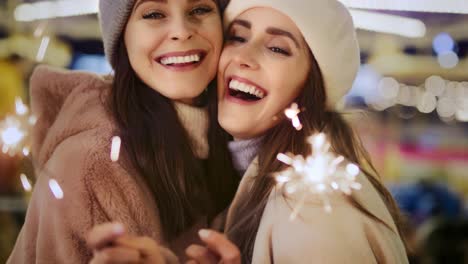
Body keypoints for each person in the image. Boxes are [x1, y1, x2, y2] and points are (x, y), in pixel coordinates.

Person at [87, 0, 409, 263]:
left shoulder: (312, 207)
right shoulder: (265, 181)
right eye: (238, 38)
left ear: (312, 85)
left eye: (277, 49)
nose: (242, 57)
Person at [7, 0, 239, 263]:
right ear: (121, 38)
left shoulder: (236, 138)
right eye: (153, 13)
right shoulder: (90, 162)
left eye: (200, 9)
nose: (181, 31)